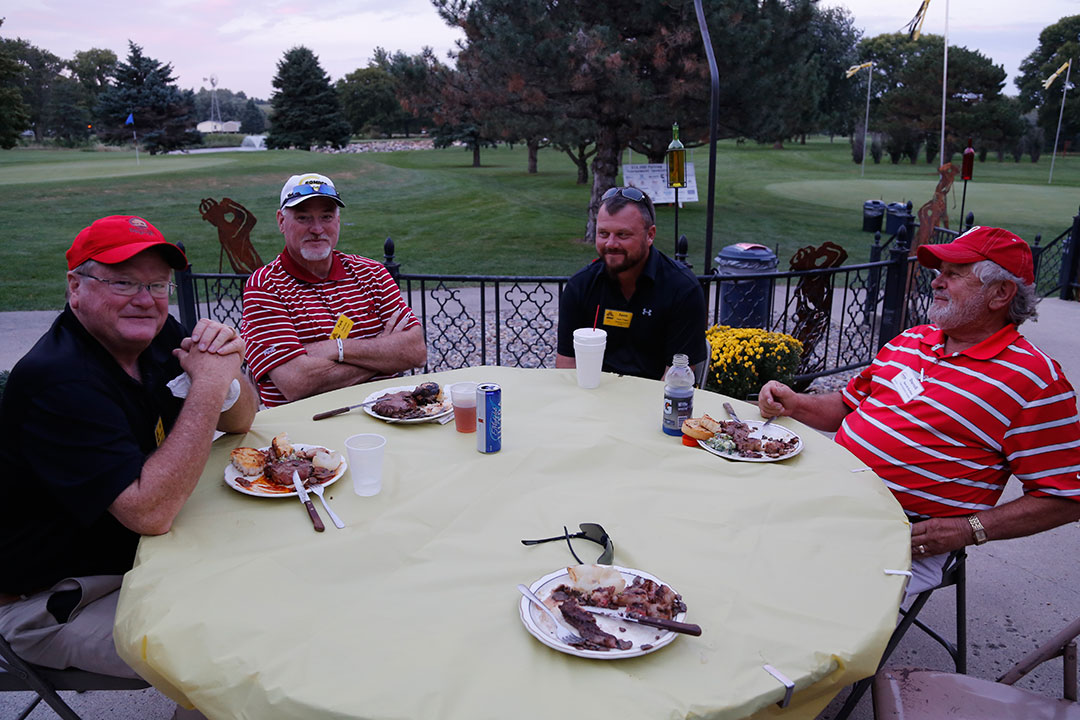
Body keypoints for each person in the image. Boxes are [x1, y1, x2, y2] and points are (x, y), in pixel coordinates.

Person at [0, 215, 258, 681]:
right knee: (236, 650)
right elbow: (150, 513)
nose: (145, 300)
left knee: (279, 579)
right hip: (58, 599)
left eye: (158, 286)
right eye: (123, 282)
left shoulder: (151, 332)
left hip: (141, 557)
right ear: (75, 287)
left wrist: (225, 376)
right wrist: (206, 388)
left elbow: (241, 421)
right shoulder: (58, 379)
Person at [758, 226, 1080, 595]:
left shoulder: (1035, 380)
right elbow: (848, 405)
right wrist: (796, 403)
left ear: (1000, 294)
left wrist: (970, 528)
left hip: (898, 537)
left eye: (953, 274)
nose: (936, 282)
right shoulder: (913, 339)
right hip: (826, 499)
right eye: (938, 272)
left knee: (778, 590)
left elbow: (1065, 497)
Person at [241, 172, 427, 407]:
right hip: (306, 433)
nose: (317, 229)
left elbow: (416, 351)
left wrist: (335, 348)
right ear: (281, 221)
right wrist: (382, 353)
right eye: (303, 218)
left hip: (387, 417)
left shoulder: (372, 273)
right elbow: (296, 383)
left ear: (338, 221)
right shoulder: (265, 286)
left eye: (326, 217)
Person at [556, 187, 707, 380]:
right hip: (591, 401)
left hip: (654, 401)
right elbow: (566, 367)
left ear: (650, 235)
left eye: (622, 234)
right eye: (603, 233)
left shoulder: (682, 289)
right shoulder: (581, 286)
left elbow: (676, 377)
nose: (611, 243)